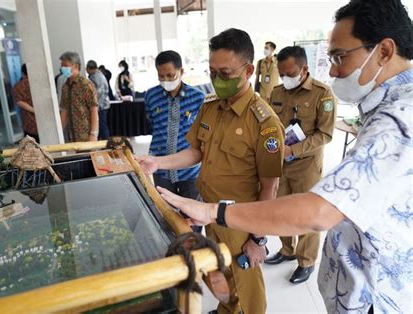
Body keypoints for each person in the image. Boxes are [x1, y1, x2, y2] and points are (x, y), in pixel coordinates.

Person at [157, 0, 413, 312]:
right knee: (226, 279)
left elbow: (318, 210)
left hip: (376, 295)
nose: (332, 69)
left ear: (384, 52)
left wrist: (224, 217)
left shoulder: (400, 120)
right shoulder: (384, 111)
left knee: (247, 287)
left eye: (338, 57)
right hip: (357, 289)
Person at [138, 29, 285, 313]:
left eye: (225, 73)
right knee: (219, 272)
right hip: (208, 211)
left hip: (241, 219)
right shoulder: (211, 107)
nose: (217, 80)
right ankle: (226, 310)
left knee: (247, 283)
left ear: (248, 70)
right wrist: (159, 162)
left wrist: (258, 239)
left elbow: (271, 187)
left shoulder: (264, 123)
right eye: (212, 72)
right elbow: (196, 152)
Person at [264, 45, 337, 284]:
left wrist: (292, 150)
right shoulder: (276, 92)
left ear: (304, 69)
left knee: (306, 215)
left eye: (290, 73)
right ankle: (287, 250)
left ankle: (306, 261)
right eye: (281, 73)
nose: (285, 78)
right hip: (280, 164)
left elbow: (324, 135)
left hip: (306, 166)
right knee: (282, 211)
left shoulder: (322, 94)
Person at [144, 50, 204, 231]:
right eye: (161, 76)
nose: (166, 81)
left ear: (181, 71)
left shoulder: (198, 97)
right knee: (167, 215)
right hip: (160, 169)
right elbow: (151, 124)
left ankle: (194, 252)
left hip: (190, 171)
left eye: (171, 75)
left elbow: (202, 135)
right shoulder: (150, 96)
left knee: (192, 218)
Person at [59, 51, 99, 142]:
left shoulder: (85, 84)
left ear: (76, 66)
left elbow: (94, 109)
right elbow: (64, 110)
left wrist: (93, 133)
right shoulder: (65, 86)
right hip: (72, 135)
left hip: (86, 135)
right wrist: (58, 132)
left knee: (89, 156)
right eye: (62, 66)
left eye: (65, 65)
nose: (62, 68)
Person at [12, 64, 39, 143]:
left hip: (29, 123)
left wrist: (34, 110)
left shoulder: (18, 86)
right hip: (45, 122)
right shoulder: (40, 83)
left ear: (23, 73)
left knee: (33, 147)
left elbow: (19, 102)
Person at [86, 60, 110, 140]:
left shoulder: (95, 77)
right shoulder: (99, 75)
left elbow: (97, 93)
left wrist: (92, 105)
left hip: (100, 105)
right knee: (101, 126)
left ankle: (106, 144)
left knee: (102, 126)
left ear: (89, 68)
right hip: (103, 104)